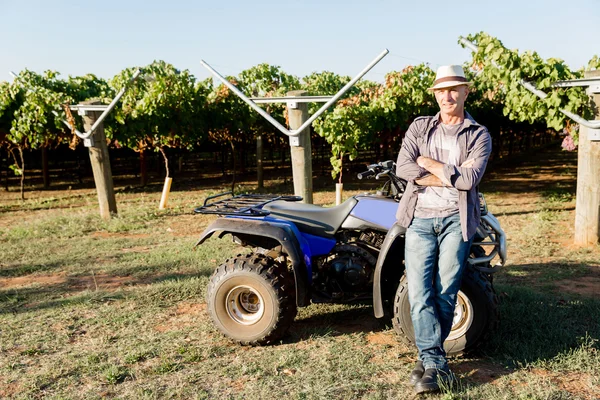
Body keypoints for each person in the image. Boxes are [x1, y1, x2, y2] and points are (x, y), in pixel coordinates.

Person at [395, 65, 492, 394]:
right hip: (420, 219)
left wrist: (431, 164)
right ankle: (433, 361)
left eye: (454, 89)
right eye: (441, 91)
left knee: (445, 292)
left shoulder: (478, 134)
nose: (447, 96)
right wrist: (449, 173)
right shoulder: (421, 127)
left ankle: (430, 361)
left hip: (455, 220)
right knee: (420, 294)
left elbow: (469, 180)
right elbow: (404, 167)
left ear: (466, 91)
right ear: (435, 94)